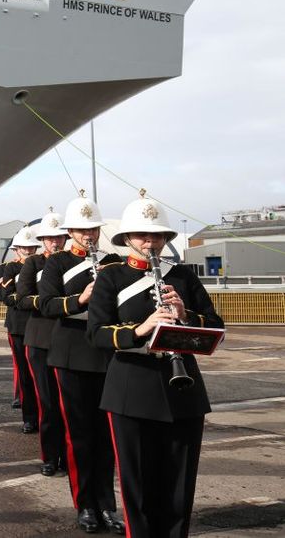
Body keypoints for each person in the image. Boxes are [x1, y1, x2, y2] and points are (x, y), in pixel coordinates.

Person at [88, 191, 223, 537]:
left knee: (179, 485)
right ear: (128, 239)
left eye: (158, 235)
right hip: (132, 389)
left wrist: (183, 314)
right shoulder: (111, 277)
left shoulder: (182, 276)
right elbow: (97, 334)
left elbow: (215, 326)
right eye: (143, 235)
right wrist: (142, 328)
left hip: (184, 390)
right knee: (139, 485)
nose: (151, 242)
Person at [38, 193, 124, 534]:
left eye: (93, 229)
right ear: (70, 231)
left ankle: (107, 504)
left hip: (108, 351)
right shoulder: (57, 263)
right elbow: (46, 305)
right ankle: (85, 503)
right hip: (72, 351)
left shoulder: (113, 260)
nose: (88, 235)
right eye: (81, 229)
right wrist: (81, 298)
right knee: (80, 433)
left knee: (107, 435)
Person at [16, 209, 68, 477]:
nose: (55, 243)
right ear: (43, 240)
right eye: (49, 238)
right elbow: (22, 298)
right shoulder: (33, 264)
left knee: (70, 405)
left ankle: (70, 456)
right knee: (47, 403)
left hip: (71, 339)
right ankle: (50, 455)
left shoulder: (73, 262)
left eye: (59, 237)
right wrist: (50, 304)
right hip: (41, 337)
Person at [0, 226, 41, 434]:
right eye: (24, 248)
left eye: (32, 247)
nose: (29, 251)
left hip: (40, 323)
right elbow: (6, 296)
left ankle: (43, 414)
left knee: (41, 375)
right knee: (24, 373)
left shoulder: (44, 265)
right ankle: (30, 417)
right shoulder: (10, 269)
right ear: (17, 250)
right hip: (19, 325)